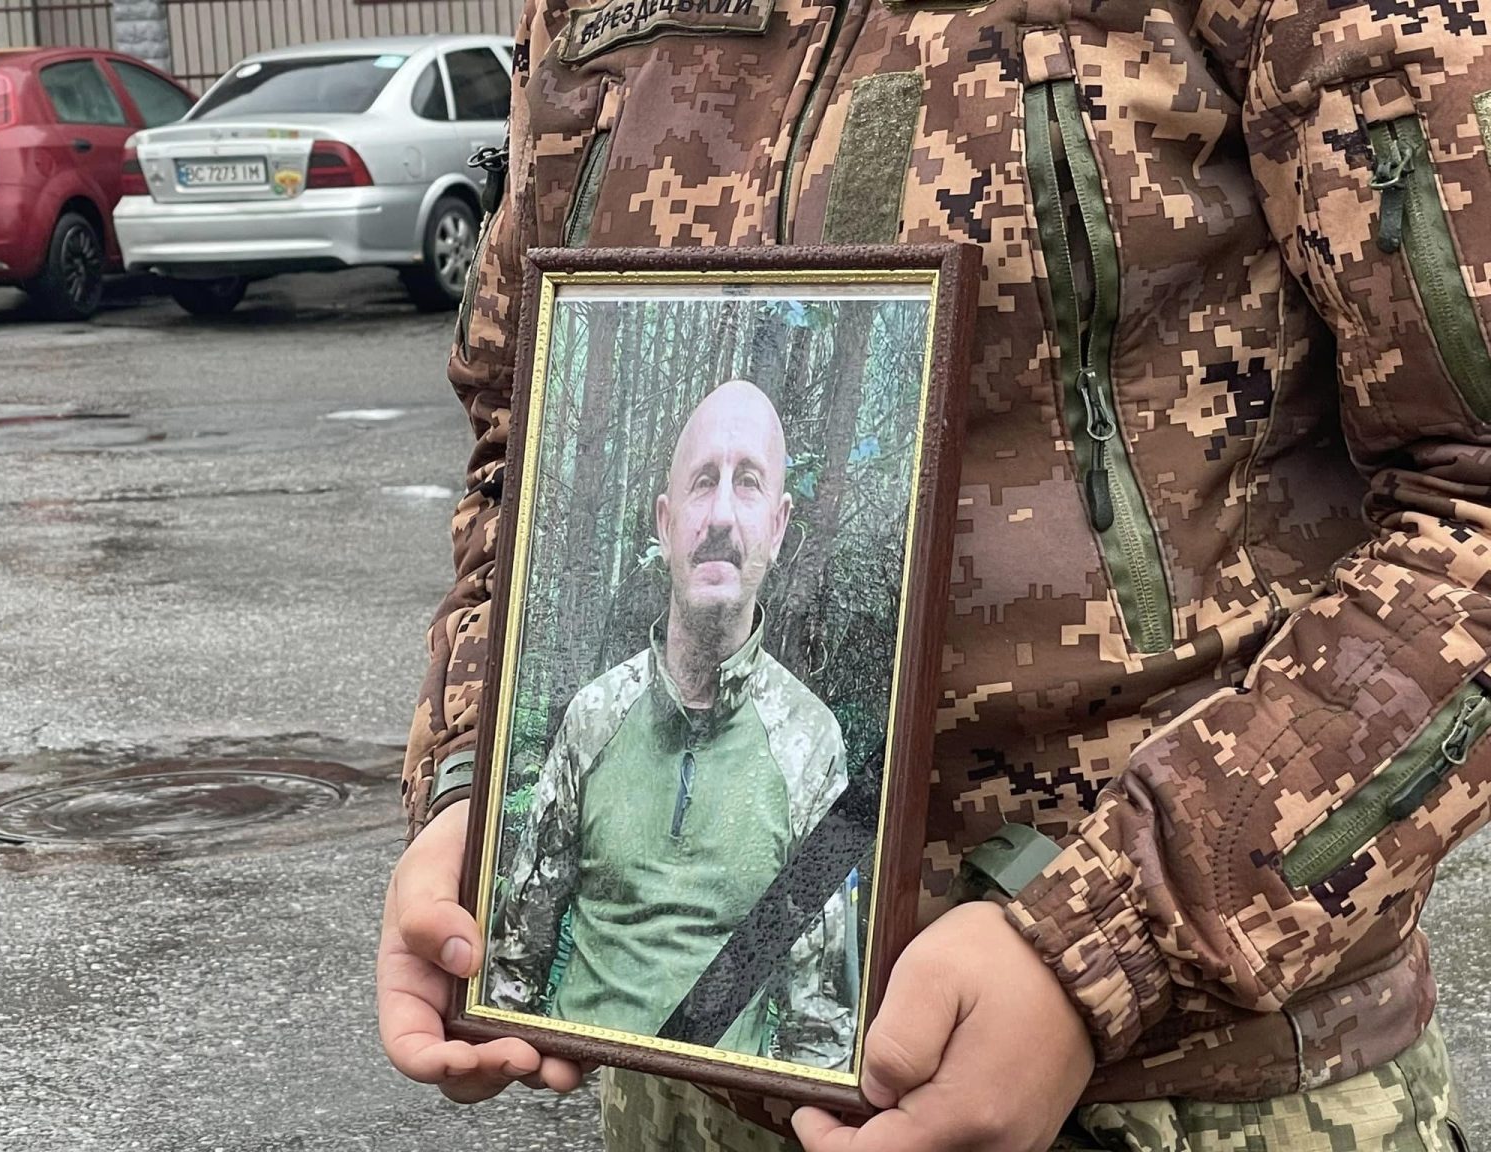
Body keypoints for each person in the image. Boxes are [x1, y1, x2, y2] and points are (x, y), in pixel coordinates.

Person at [377, 0, 1486, 1146]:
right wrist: (473, 795)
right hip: (687, 1088)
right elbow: (516, 437)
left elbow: (1475, 507)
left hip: (1192, 1093)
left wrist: (1107, 939)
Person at [484, 379, 857, 1069]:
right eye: (702, 483)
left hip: (731, 1100)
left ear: (778, 527)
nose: (720, 516)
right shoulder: (594, 718)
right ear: (665, 521)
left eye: (748, 484)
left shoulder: (812, 744)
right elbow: (512, 967)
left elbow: (821, 1021)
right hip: (573, 1091)